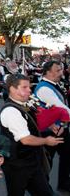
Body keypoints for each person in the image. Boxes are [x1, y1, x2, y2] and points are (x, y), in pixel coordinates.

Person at [0, 73, 63, 195]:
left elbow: (32, 119)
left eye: (29, 87)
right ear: (12, 89)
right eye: (25, 87)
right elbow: (26, 139)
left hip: (31, 161)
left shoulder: (24, 103)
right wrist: (46, 141)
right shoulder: (11, 111)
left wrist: (50, 125)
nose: (30, 90)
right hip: (17, 165)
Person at [34, 60, 70, 192]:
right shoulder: (44, 88)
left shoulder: (52, 85)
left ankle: (64, 183)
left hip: (61, 129)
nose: (61, 73)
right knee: (46, 162)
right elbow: (63, 109)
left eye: (61, 70)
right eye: (57, 70)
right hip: (49, 131)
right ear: (48, 72)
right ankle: (43, 189)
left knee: (67, 155)